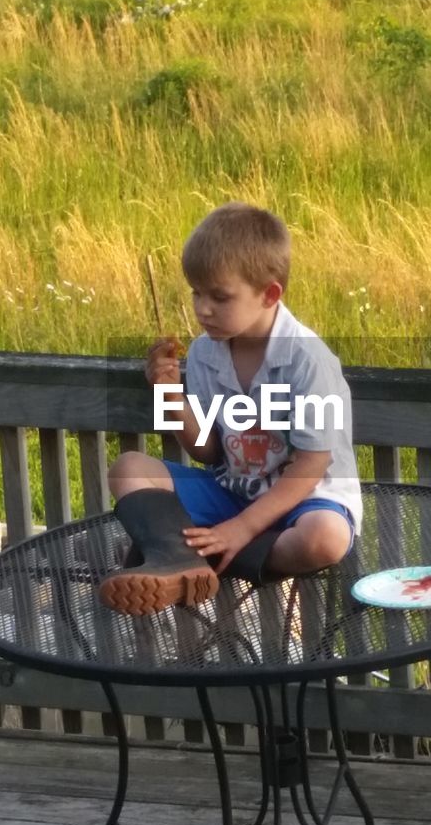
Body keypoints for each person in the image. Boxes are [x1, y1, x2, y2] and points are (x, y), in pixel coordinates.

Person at [98, 202, 362, 615]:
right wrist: (169, 393)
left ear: (269, 293)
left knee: (324, 539)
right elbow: (209, 450)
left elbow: (311, 466)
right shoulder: (206, 353)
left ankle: (199, 558)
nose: (202, 309)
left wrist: (240, 529)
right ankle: (181, 561)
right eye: (196, 293)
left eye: (219, 296)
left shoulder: (307, 359)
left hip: (304, 500)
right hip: (232, 491)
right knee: (128, 469)